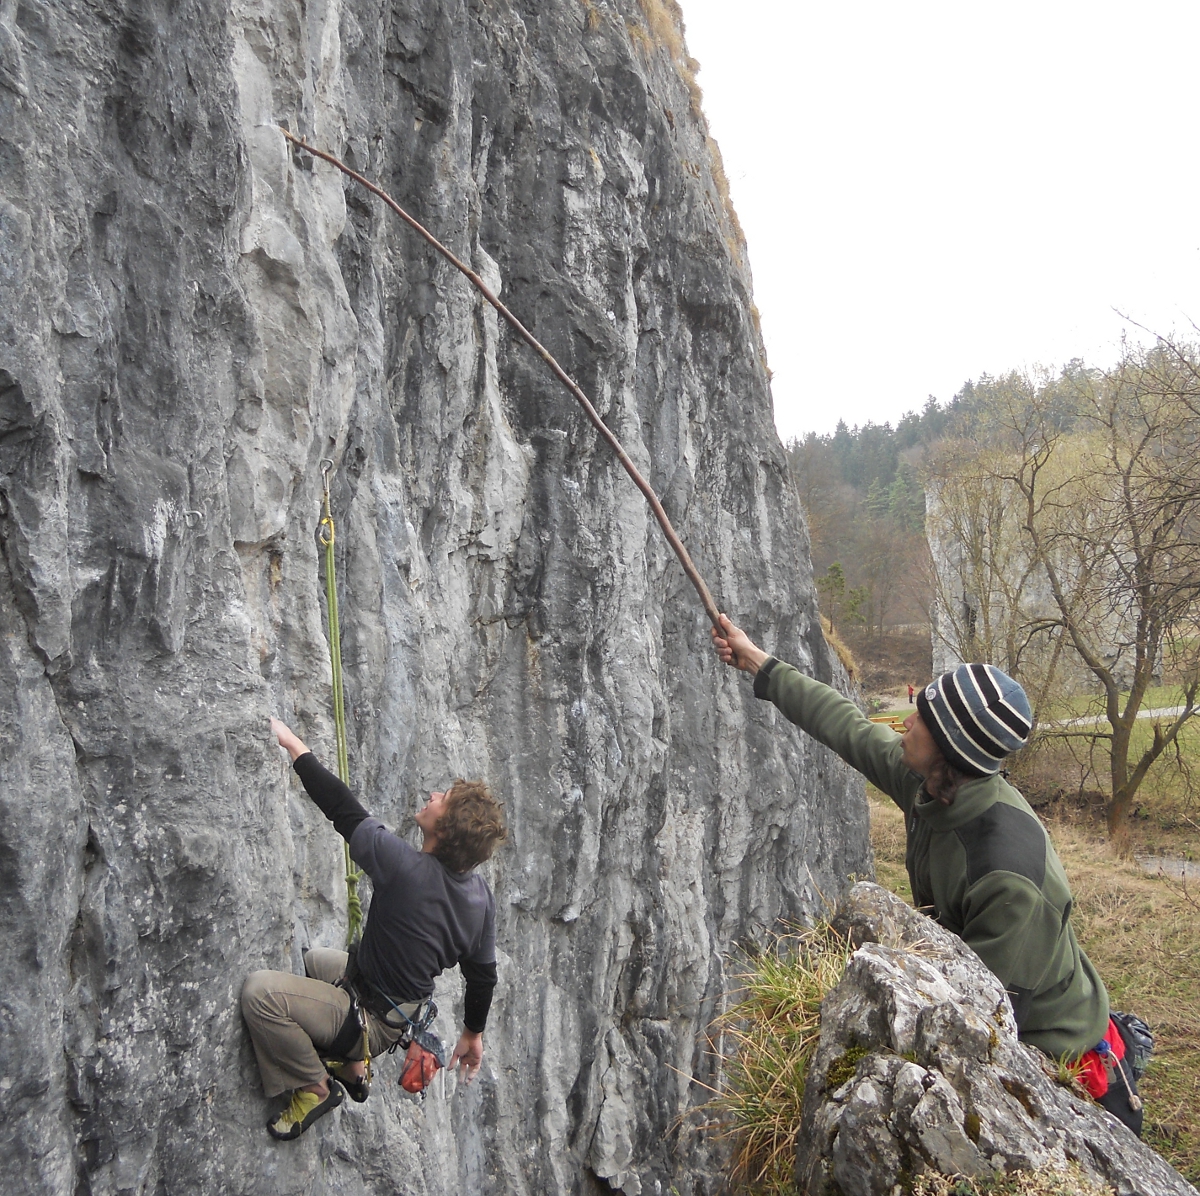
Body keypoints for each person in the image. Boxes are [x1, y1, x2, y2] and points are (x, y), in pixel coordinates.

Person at [710, 615, 1145, 1136]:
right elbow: (845, 724)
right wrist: (757, 661)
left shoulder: (1006, 876)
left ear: (950, 750)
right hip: (991, 997)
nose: (904, 722)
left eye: (920, 717)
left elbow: (987, 1025)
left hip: (1057, 1051)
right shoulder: (932, 785)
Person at [241, 718, 508, 1140]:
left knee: (261, 994)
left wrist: (293, 743)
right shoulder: (480, 898)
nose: (434, 795)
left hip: (369, 1019)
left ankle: (314, 1086)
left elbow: (341, 808)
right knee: (314, 962)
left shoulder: (403, 867)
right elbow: (482, 977)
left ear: (444, 829)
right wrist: (473, 1033)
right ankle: (352, 1066)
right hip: (396, 1011)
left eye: (443, 798)